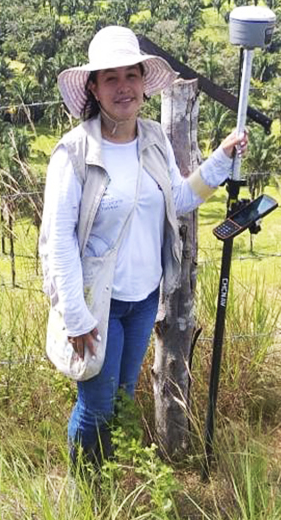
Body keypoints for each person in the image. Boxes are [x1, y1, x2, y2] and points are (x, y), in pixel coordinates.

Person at [39, 25, 246, 470]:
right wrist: (75, 316)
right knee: (95, 405)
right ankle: (86, 490)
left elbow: (180, 198)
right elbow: (57, 241)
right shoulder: (74, 154)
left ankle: (105, 479)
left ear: (142, 84)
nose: (123, 88)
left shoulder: (153, 140)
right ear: (93, 88)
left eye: (130, 76)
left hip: (143, 298)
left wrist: (221, 160)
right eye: (110, 79)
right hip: (98, 305)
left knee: (117, 400)